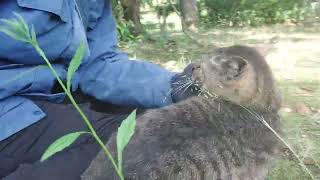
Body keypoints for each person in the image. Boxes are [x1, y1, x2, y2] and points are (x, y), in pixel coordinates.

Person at [0, 0, 194, 179]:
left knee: (173, 125)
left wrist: (179, 86)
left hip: (54, 97)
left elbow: (100, 65)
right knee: (143, 142)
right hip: (10, 108)